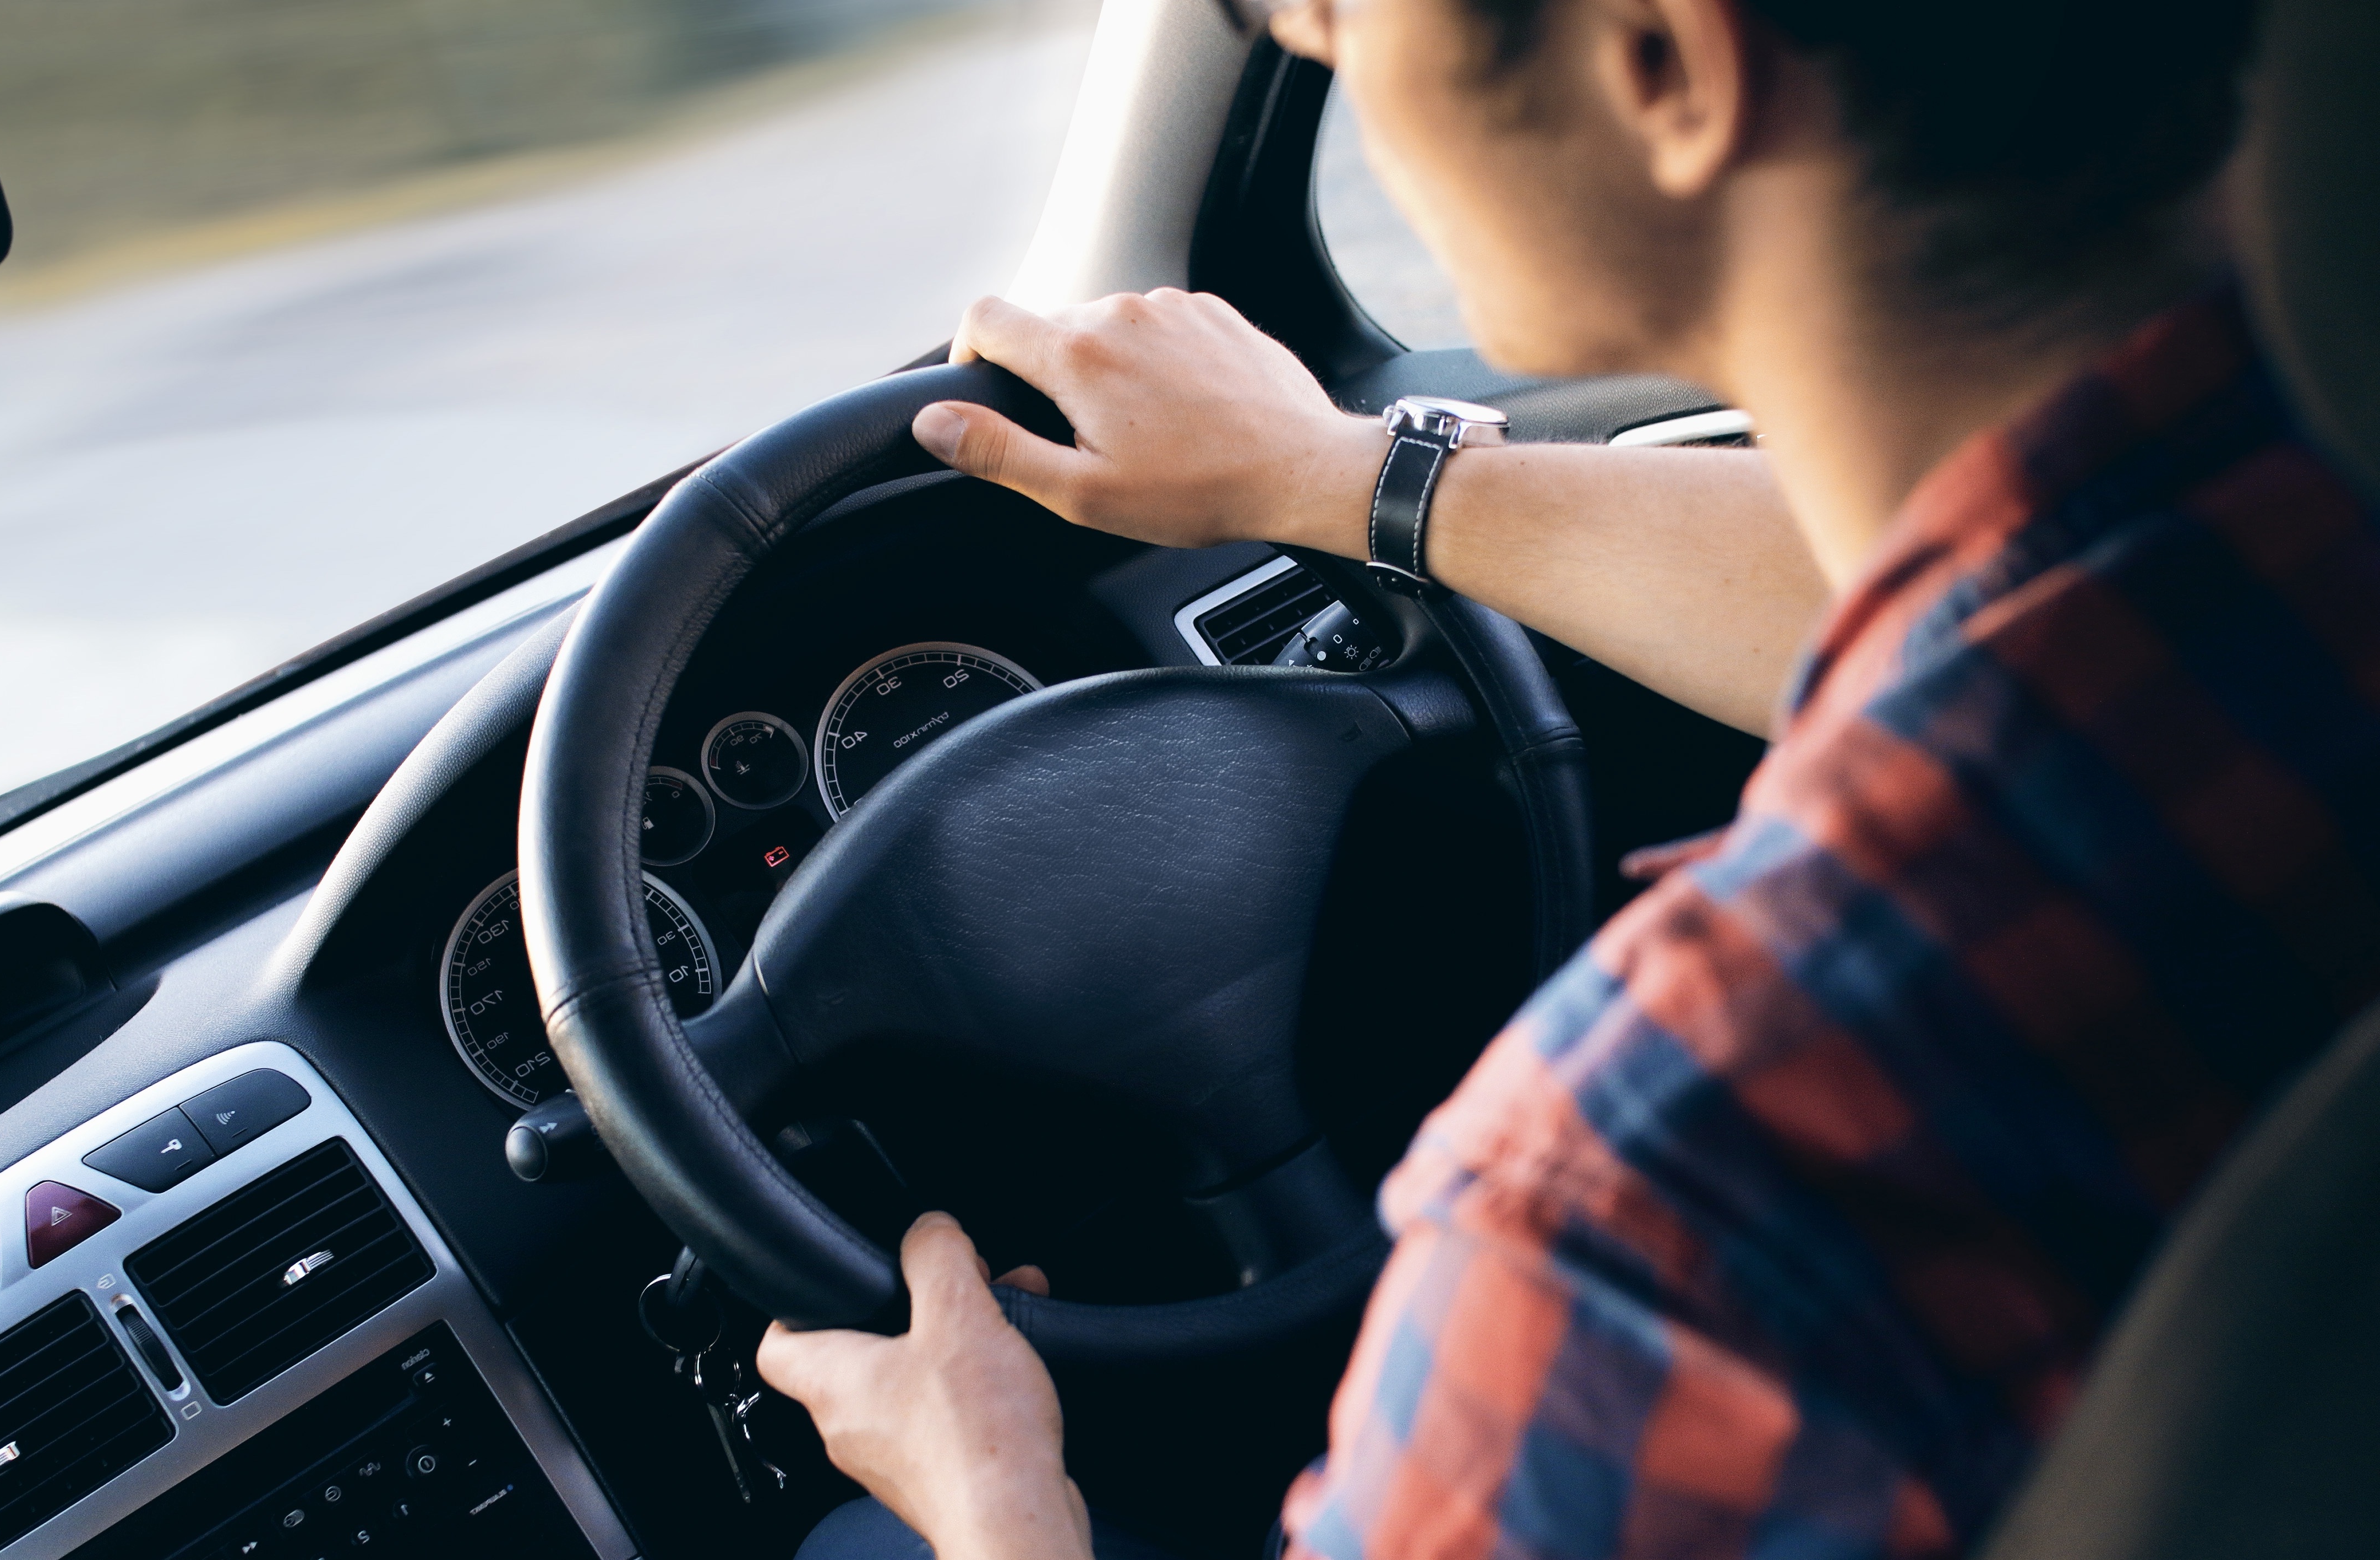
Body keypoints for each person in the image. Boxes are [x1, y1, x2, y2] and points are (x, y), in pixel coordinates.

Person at [757, 0, 2380, 1556]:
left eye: (1332, 0)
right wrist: (1336, 475)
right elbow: (1964, 580)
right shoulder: (2297, 526)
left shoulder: (1653, 1210)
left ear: (1664, 59)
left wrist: (995, 1494)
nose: (1309, 32)